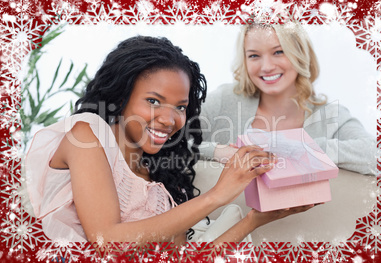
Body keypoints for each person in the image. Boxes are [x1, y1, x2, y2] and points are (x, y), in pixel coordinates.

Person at [25, 36, 314, 245]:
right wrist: (217, 194)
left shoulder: (158, 181)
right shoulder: (86, 135)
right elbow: (106, 239)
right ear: (120, 96)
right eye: (153, 100)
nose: (169, 118)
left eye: (179, 106)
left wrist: (256, 220)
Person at [200, 22, 376, 175]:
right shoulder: (225, 99)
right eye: (254, 55)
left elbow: (380, 155)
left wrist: (299, 149)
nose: (267, 66)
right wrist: (218, 151)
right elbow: (175, 143)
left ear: (299, 54)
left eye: (278, 52)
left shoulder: (331, 115)